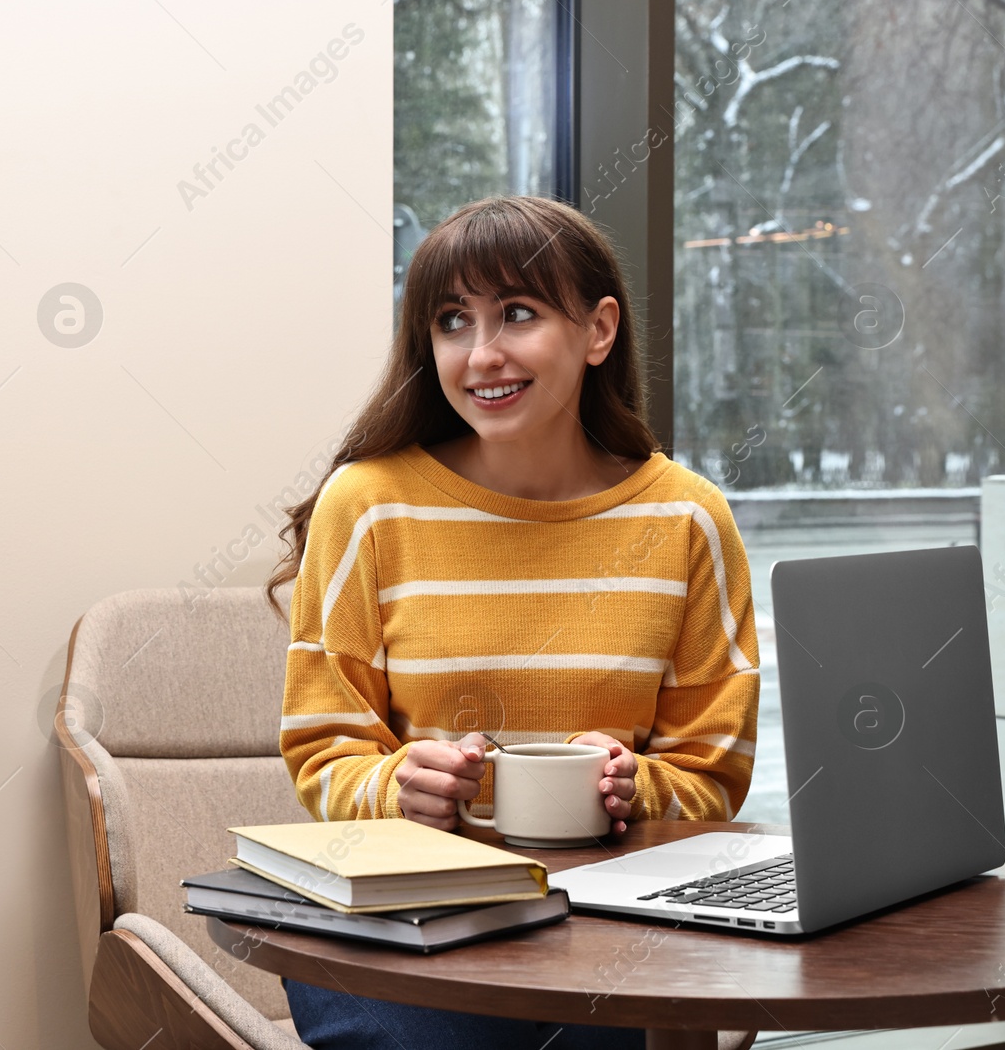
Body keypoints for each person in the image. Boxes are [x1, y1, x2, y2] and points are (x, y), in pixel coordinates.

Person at [262, 195, 760, 1049]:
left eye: (517, 314)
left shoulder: (688, 519)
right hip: (403, 928)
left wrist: (634, 784)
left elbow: (711, 773)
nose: (481, 353)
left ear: (599, 330)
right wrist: (397, 788)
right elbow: (324, 746)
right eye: (452, 320)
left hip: (602, 929)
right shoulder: (369, 505)